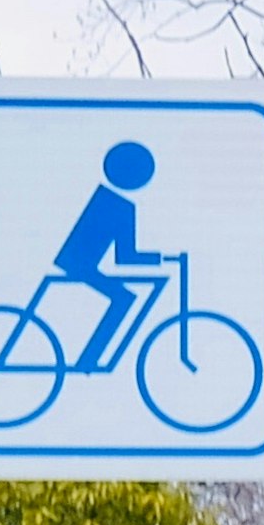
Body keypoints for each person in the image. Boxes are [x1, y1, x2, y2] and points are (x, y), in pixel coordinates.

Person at [51, 141, 166, 368]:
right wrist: (160, 258)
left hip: (76, 263)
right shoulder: (121, 207)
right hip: (79, 266)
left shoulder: (105, 197)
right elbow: (125, 258)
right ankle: (89, 359)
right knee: (124, 298)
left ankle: (90, 357)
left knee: (123, 295)